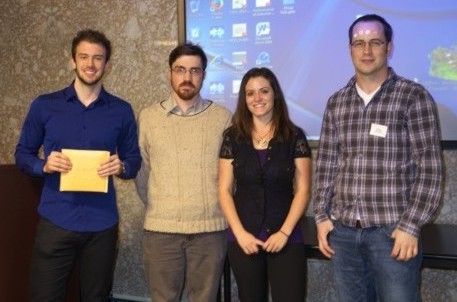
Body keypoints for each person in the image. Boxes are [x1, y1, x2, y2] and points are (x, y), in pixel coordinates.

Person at [313, 14, 443, 302]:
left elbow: (430, 169)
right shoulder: (337, 102)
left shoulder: (412, 97)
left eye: (375, 42)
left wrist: (411, 227)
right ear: (350, 50)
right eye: (359, 43)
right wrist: (322, 217)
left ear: (388, 47)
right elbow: (326, 166)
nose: (367, 50)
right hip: (344, 236)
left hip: (392, 234)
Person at [15, 29, 142, 301]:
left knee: (96, 297)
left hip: (102, 225)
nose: (90, 64)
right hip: (56, 220)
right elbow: (23, 154)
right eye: (84, 56)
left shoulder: (121, 110)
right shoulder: (45, 106)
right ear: (73, 61)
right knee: (44, 296)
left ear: (107, 65)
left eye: (98, 58)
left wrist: (121, 167)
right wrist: (43, 166)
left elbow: (134, 160)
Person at [135, 42, 232, 302]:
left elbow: (231, 178)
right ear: (170, 73)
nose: (187, 77)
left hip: (210, 232)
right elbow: (142, 173)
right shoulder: (148, 118)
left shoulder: (222, 118)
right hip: (161, 231)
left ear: (203, 75)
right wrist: (164, 204)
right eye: (180, 70)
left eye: (195, 71)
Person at [218, 67, 312, 302]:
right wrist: (240, 234)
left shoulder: (294, 137)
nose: (257, 98)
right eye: (250, 93)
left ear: (275, 95)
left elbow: (303, 190)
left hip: (286, 238)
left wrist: (284, 232)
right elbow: (224, 190)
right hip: (244, 239)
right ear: (244, 99)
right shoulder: (232, 138)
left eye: (263, 91)